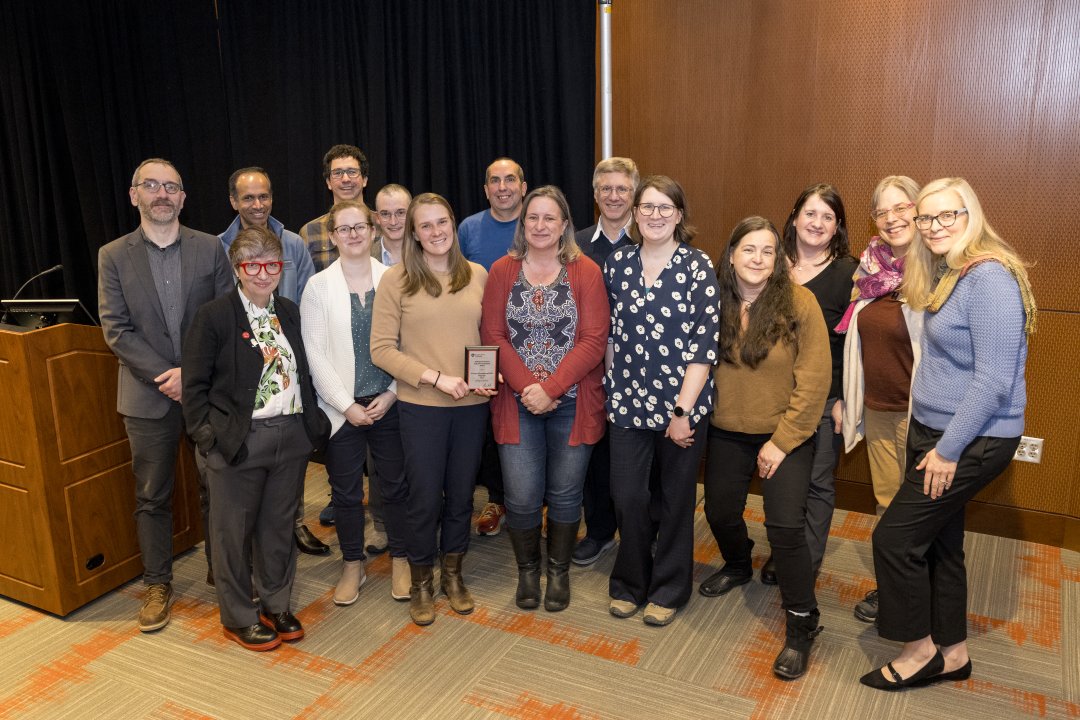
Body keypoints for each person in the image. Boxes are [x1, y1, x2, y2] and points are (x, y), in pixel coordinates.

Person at [860, 178, 1035, 690]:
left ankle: (920, 653)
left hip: (969, 439)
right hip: (935, 428)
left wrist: (947, 450)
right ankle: (954, 653)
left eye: (947, 216)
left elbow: (993, 380)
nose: (935, 227)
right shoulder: (947, 269)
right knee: (941, 544)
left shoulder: (991, 279)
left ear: (971, 216)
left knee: (893, 538)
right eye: (927, 218)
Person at [98, 158, 233, 633]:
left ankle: (225, 573)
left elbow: (224, 316)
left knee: (217, 486)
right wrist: (167, 375)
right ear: (134, 194)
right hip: (146, 397)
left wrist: (191, 374)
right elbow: (116, 330)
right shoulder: (112, 255)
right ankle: (158, 584)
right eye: (151, 185)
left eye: (171, 186)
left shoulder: (211, 247)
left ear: (182, 197)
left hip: (206, 394)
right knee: (152, 495)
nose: (162, 193)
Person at [181, 226, 330, 652]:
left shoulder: (289, 310)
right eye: (253, 265)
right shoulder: (213, 316)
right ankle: (239, 616)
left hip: (291, 439)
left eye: (272, 265)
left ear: (281, 268)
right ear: (237, 269)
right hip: (237, 442)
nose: (263, 274)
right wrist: (208, 439)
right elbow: (193, 389)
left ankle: (275, 604)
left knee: (278, 529)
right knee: (232, 532)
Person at [698, 216, 831, 680]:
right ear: (731, 254)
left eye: (768, 251)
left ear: (778, 259)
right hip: (727, 429)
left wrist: (782, 442)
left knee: (786, 528)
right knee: (718, 511)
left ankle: (802, 624)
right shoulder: (710, 299)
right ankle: (738, 564)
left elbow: (814, 382)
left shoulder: (800, 303)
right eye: (748, 249)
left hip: (785, 435)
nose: (757, 259)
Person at [480, 186, 609, 611]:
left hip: (572, 403)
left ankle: (558, 573)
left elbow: (593, 340)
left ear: (565, 225)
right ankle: (527, 573)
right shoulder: (502, 270)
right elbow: (493, 336)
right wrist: (527, 389)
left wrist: (550, 389)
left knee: (567, 495)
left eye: (550, 218)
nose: (540, 226)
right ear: (523, 223)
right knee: (520, 497)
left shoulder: (585, 270)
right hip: (516, 403)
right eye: (533, 218)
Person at [370, 193, 494, 626]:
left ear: (453, 224)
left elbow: (489, 338)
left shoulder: (477, 275)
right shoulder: (396, 280)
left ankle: (453, 576)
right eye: (426, 225)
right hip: (422, 406)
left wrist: (489, 375)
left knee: (462, 495)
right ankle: (422, 581)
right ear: (414, 233)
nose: (436, 232)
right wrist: (434, 377)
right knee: (423, 497)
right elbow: (381, 350)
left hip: (472, 405)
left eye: (442, 222)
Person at [604, 175, 720, 627]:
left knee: (674, 500)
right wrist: (613, 380)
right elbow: (612, 332)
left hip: (681, 408)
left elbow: (703, 347)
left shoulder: (697, 266)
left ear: (679, 215)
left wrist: (681, 413)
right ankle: (630, 582)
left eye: (664, 207)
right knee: (628, 496)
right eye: (647, 207)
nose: (655, 215)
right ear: (634, 214)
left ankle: (669, 588)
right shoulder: (617, 264)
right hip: (628, 403)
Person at [301, 200, 408, 605]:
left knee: (396, 488)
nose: (353, 234)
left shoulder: (394, 279)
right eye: (344, 229)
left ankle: (400, 558)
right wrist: (346, 405)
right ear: (332, 237)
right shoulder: (318, 287)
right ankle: (352, 564)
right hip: (340, 410)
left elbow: (408, 344)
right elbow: (315, 354)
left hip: (389, 402)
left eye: (360, 226)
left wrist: (392, 393)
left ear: (374, 228)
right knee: (345, 493)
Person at [219, 166, 325, 557]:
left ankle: (294, 522)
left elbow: (309, 299)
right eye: (248, 198)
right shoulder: (220, 247)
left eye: (264, 196)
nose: (258, 204)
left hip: (290, 366)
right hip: (246, 375)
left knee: (291, 456)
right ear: (234, 202)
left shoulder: (294, 244)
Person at [836, 176, 924, 623]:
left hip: (923, 415)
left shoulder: (939, 271)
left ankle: (928, 595)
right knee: (888, 506)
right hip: (878, 409)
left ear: (919, 209)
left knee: (924, 511)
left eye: (900, 207)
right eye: (881, 211)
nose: (891, 219)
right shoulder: (869, 270)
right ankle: (894, 589)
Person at [765, 183, 856, 583]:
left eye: (828, 217)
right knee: (780, 481)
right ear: (795, 217)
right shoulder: (769, 264)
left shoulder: (849, 274)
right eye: (810, 213)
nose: (817, 223)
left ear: (837, 227)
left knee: (816, 485)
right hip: (768, 395)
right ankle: (784, 552)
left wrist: (845, 400)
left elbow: (858, 343)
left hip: (822, 396)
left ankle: (804, 566)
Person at [571, 157, 639, 567]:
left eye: (623, 189)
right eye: (606, 189)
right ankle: (598, 532)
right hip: (589, 370)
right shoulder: (573, 244)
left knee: (637, 462)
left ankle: (639, 534)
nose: (614, 196)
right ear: (595, 195)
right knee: (594, 455)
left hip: (640, 371)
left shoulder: (652, 239)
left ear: (634, 195)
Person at [459, 157, 528, 536]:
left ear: (523, 186)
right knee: (491, 425)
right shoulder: (468, 228)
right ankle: (497, 498)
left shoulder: (536, 222)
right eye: (494, 181)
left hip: (535, 342)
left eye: (510, 179)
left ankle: (537, 504)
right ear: (486, 189)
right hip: (483, 344)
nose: (502, 187)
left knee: (533, 420)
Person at [300, 144, 370, 272]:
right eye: (337, 173)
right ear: (328, 182)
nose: (345, 179)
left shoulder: (383, 225)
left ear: (364, 180)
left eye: (352, 172)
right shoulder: (309, 232)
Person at [372, 184, 412, 266]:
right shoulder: (366, 257)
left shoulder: (428, 254)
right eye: (385, 214)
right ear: (377, 218)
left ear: (411, 213)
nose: (393, 222)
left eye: (400, 213)